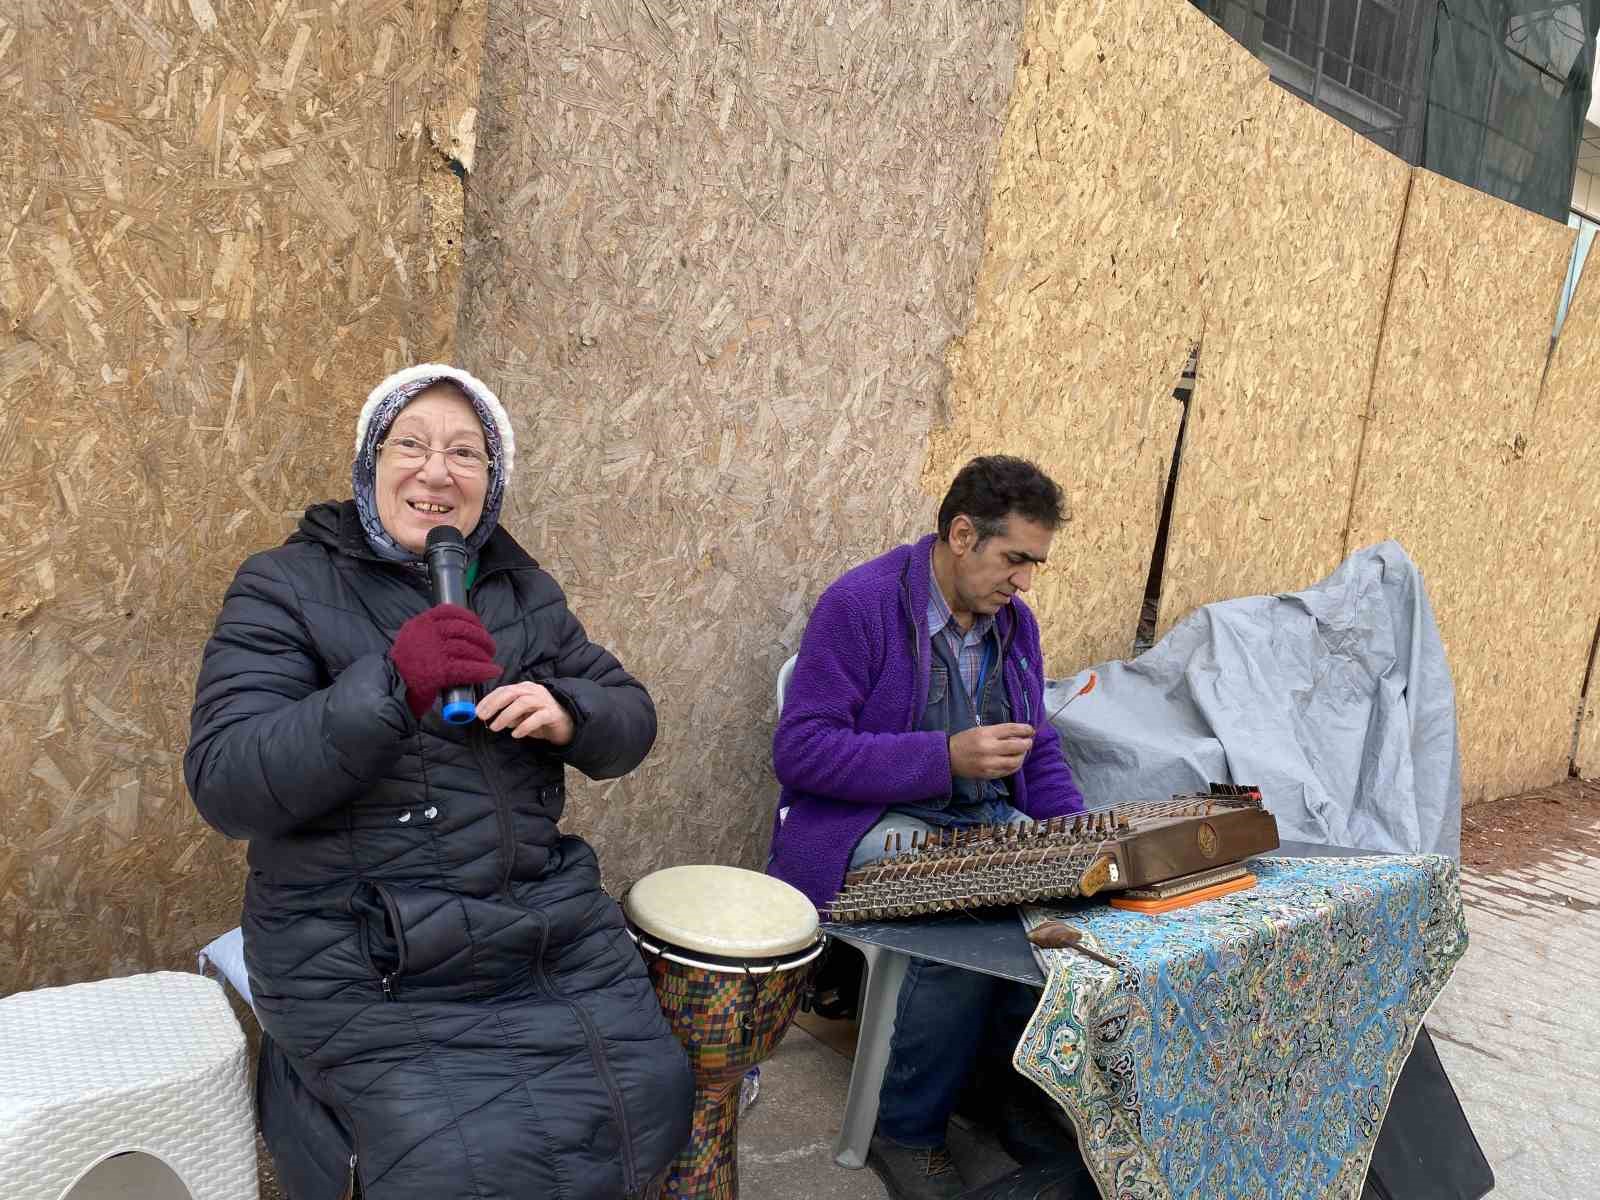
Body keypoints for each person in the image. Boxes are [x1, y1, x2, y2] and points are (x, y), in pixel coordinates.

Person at [185, 364, 692, 1200]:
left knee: (652, 1092)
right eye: (410, 445)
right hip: (359, 944)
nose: (435, 471)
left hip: (535, 925)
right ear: (369, 465)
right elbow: (226, 780)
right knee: (456, 1161)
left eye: (466, 454)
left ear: (490, 486)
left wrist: (570, 710)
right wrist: (390, 682)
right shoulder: (284, 586)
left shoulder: (520, 589)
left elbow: (630, 715)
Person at [768, 455, 1087, 1200]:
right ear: (962, 533)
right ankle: (904, 1129)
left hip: (969, 824)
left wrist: (1074, 839)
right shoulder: (862, 605)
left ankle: (1000, 1091)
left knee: (1063, 905)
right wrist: (943, 757)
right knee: (965, 914)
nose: (1025, 582)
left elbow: (1037, 744)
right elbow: (802, 749)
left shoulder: (1016, 626)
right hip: (860, 825)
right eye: (1015, 560)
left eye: (1036, 564)